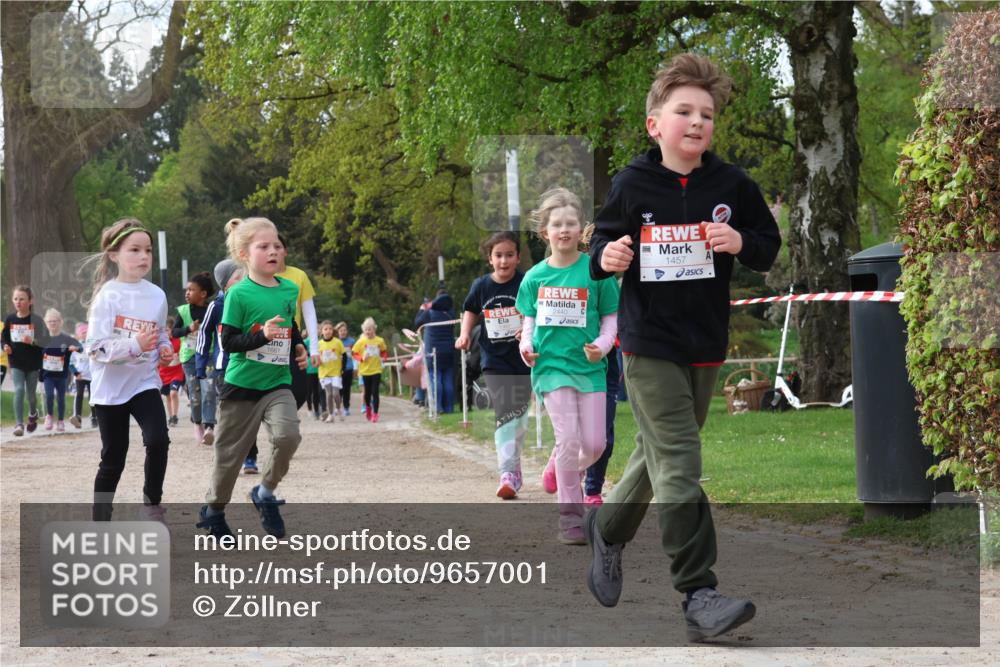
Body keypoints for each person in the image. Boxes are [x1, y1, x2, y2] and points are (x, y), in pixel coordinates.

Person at [584, 53, 780, 641]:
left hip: (705, 343)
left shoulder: (732, 184)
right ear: (655, 124)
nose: (697, 122)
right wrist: (608, 257)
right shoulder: (632, 183)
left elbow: (767, 248)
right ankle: (698, 592)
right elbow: (601, 245)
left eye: (708, 114)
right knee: (681, 462)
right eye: (684, 111)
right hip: (647, 343)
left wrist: (739, 238)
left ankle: (607, 529)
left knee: (664, 456)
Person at [515, 188, 620, 545]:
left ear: (582, 229)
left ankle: (556, 466)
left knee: (594, 445)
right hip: (551, 368)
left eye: (571, 223)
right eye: (556, 225)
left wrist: (603, 346)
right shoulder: (534, 278)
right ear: (545, 232)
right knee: (569, 438)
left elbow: (610, 317)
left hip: (590, 368)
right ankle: (570, 519)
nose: (564, 230)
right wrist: (526, 347)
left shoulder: (596, 272)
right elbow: (527, 322)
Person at [197, 217, 307, 539]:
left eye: (277, 245)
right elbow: (229, 342)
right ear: (245, 255)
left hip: (277, 382)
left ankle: (265, 492)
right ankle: (214, 512)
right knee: (229, 458)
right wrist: (261, 336)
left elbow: (288, 325)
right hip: (241, 385)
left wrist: (297, 345)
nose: (274, 251)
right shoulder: (238, 294)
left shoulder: (289, 288)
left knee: (288, 437)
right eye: (264, 246)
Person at [85, 218, 173, 522]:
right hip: (110, 390)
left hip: (143, 382)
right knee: (113, 458)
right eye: (134, 250)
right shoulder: (107, 296)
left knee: (158, 439)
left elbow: (160, 332)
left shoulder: (157, 295)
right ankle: (100, 521)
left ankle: (152, 506)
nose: (144, 256)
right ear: (114, 255)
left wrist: (165, 349)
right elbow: (95, 348)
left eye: (147, 250)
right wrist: (135, 344)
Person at [456, 231, 532, 500]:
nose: (504, 260)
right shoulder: (481, 286)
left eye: (509, 255)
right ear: (490, 259)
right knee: (504, 410)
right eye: (498, 255)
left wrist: (527, 329)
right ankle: (507, 473)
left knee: (520, 416)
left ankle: (514, 464)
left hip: (523, 358)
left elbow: (534, 311)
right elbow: (470, 310)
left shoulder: (526, 282)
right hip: (494, 359)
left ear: (518, 257)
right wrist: (465, 334)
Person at [195, 259, 258, 474]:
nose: (244, 281)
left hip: (250, 365)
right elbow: (204, 335)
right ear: (224, 284)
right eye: (238, 278)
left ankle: (250, 457)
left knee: (249, 414)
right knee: (232, 415)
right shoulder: (216, 306)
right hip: (225, 368)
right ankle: (229, 457)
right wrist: (200, 364)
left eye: (245, 277)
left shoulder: (251, 302)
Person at [172, 271, 217, 445]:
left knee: (209, 390)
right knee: (195, 393)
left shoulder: (212, 310)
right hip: (190, 358)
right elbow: (175, 333)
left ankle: (209, 427)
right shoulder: (183, 311)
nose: (187, 293)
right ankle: (197, 423)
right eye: (187, 290)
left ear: (203, 294)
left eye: (191, 290)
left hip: (209, 356)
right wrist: (189, 329)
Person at [2, 286, 50, 437]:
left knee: (31, 395)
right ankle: (19, 424)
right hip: (16, 362)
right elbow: (4, 338)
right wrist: (5, 346)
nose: (18, 302)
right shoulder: (10, 319)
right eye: (16, 299)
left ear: (30, 301)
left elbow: (46, 340)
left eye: (22, 299)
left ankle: (33, 412)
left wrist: (33, 341)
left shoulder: (36, 320)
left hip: (33, 363)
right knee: (18, 390)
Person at [416, 289, 458, 414]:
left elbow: (417, 322)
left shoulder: (430, 313)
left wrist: (422, 309)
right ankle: (449, 408)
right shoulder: (451, 313)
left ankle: (437, 407)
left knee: (435, 379)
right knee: (448, 380)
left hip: (433, 352)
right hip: (449, 351)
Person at [39, 308, 81, 432]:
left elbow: (81, 347)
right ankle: (49, 416)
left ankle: (61, 421)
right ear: (46, 323)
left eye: (55, 321)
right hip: (47, 375)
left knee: (61, 398)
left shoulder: (66, 338)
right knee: (50, 395)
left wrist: (76, 348)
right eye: (50, 321)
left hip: (62, 375)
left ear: (60, 322)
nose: (52, 323)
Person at [351, 317, 387, 423]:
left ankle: (375, 413)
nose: (368, 331)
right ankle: (368, 409)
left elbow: (384, 351)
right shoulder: (361, 341)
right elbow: (354, 353)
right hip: (365, 370)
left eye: (370, 329)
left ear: (374, 329)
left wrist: (383, 358)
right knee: (367, 393)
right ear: (363, 330)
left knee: (375, 392)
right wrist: (361, 358)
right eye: (366, 329)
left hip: (376, 370)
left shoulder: (379, 340)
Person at [69, 322, 97, 429]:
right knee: (79, 395)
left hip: (91, 376)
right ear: (78, 334)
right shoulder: (75, 347)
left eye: (86, 332)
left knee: (92, 397)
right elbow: (70, 363)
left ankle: (94, 417)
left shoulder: (92, 344)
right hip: (80, 376)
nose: (84, 334)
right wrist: (76, 373)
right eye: (82, 332)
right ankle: (77, 417)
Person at [318, 320, 346, 422]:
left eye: (330, 329)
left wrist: (343, 368)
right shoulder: (319, 344)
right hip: (324, 373)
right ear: (322, 331)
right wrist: (317, 362)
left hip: (336, 373)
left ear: (332, 330)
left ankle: (338, 409)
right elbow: (314, 357)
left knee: (335, 394)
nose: (328, 331)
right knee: (328, 394)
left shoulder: (337, 342)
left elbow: (345, 355)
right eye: (325, 329)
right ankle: (330, 415)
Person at [159, 316, 185, 427]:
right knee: (168, 396)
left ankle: (175, 416)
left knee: (173, 393)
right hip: (163, 373)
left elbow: (184, 352)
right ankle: (171, 417)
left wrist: (178, 355)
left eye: (167, 330)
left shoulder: (178, 340)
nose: (165, 332)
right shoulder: (160, 342)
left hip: (176, 372)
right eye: (164, 330)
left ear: (172, 330)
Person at [336, 322, 355, 416]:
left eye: (344, 330)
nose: (343, 332)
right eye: (341, 330)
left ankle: (346, 408)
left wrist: (356, 367)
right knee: (338, 389)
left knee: (347, 389)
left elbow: (355, 354)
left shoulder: (352, 341)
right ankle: (337, 407)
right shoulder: (336, 341)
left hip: (349, 368)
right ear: (338, 332)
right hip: (337, 369)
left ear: (347, 331)